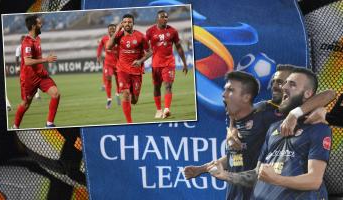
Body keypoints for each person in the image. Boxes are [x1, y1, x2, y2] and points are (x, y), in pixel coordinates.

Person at [184, 65, 335, 200]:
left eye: (288, 83)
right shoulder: (266, 114)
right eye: (278, 81)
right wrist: (232, 129)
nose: (280, 86)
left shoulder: (314, 123)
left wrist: (297, 114)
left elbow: (329, 94)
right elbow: (255, 169)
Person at [12, 15, 59, 129]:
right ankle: (15, 126)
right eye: (39, 23)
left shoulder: (37, 39)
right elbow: (27, 61)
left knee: (56, 94)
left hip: (41, 75)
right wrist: (45, 60)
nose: (41, 24)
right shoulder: (27, 42)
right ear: (33, 26)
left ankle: (49, 124)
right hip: (29, 79)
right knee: (26, 104)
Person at [106, 14, 152, 123]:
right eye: (125, 22)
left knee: (134, 100)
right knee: (125, 94)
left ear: (133, 23)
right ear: (122, 23)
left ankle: (132, 98)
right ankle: (129, 122)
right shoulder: (119, 36)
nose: (127, 24)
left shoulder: (140, 36)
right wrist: (117, 30)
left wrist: (140, 61)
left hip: (136, 71)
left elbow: (150, 51)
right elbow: (108, 46)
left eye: (129, 22)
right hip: (122, 70)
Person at [146, 10, 188, 119]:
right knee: (156, 87)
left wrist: (184, 62)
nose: (165, 18)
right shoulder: (150, 31)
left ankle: (167, 109)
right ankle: (159, 110)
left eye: (166, 17)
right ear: (157, 18)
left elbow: (178, 47)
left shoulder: (173, 31)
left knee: (168, 85)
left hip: (169, 63)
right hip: (155, 64)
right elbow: (145, 47)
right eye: (163, 17)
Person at [97, 24, 120, 108]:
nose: (112, 31)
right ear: (108, 30)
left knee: (118, 80)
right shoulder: (104, 39)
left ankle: (117, 94)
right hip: (108, 63)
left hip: (118, 64)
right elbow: (99, 47)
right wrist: (98, 56)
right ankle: (109, 99)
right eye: (110, 29)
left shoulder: (119, 38)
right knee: (108, 78)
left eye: (113, 29)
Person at [16, 35, 41, 99]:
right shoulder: (19, 48)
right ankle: (28, 94)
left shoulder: (29, 45)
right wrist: (17, 66)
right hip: (24, 67)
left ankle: (37, 94)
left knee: (37, 79)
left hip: (31, 66)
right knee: (27, 81)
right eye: (22, 40)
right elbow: (17, 58)